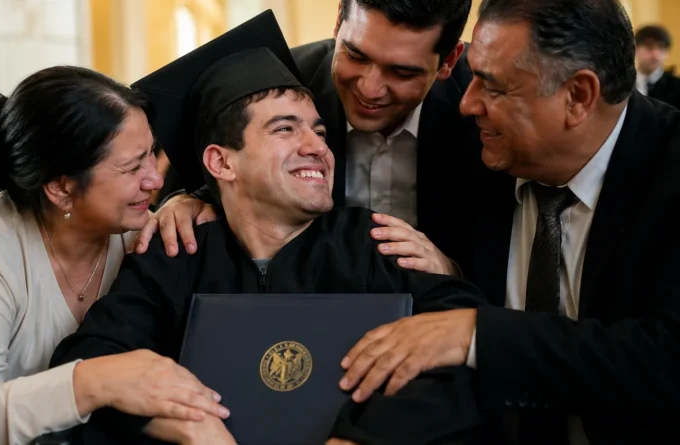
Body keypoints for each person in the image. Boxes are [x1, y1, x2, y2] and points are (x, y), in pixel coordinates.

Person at [49, 12, 487, 445]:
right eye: (285, 129)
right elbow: (89, 366)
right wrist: (188, 426)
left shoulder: (378, 243)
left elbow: (470, 355)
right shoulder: (174, 257)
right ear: (220, 163)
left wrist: (363, 437)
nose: (319, 146)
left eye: (319, 130)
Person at [338, 0, 680, 443]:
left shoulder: (669, 173)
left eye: (493, 87)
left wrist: (477, 333)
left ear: (577, 96)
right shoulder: (476, 152)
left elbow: (664, 356)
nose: (467, 103)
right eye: (472, 76)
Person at [0, 66, 230, 445]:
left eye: (151, 156)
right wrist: (98, 380)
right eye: (133, 166)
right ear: (61, 188)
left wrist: (185, 201)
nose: (155, 179)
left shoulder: (135, 231)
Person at [139, 0, 487, 280]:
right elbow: (224, 173)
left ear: (449, 61)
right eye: (355, 55)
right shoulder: (278, 86)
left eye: (402, 72)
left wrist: (450, 272)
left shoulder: (486, 111)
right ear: (338, 21)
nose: (369, 89)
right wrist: (186, 200)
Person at [634, 24, 680, 109]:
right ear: (635, 48)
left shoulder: (677, 86)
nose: (656, 54)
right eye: (649, 47)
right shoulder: (625, 84)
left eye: (661, 48)